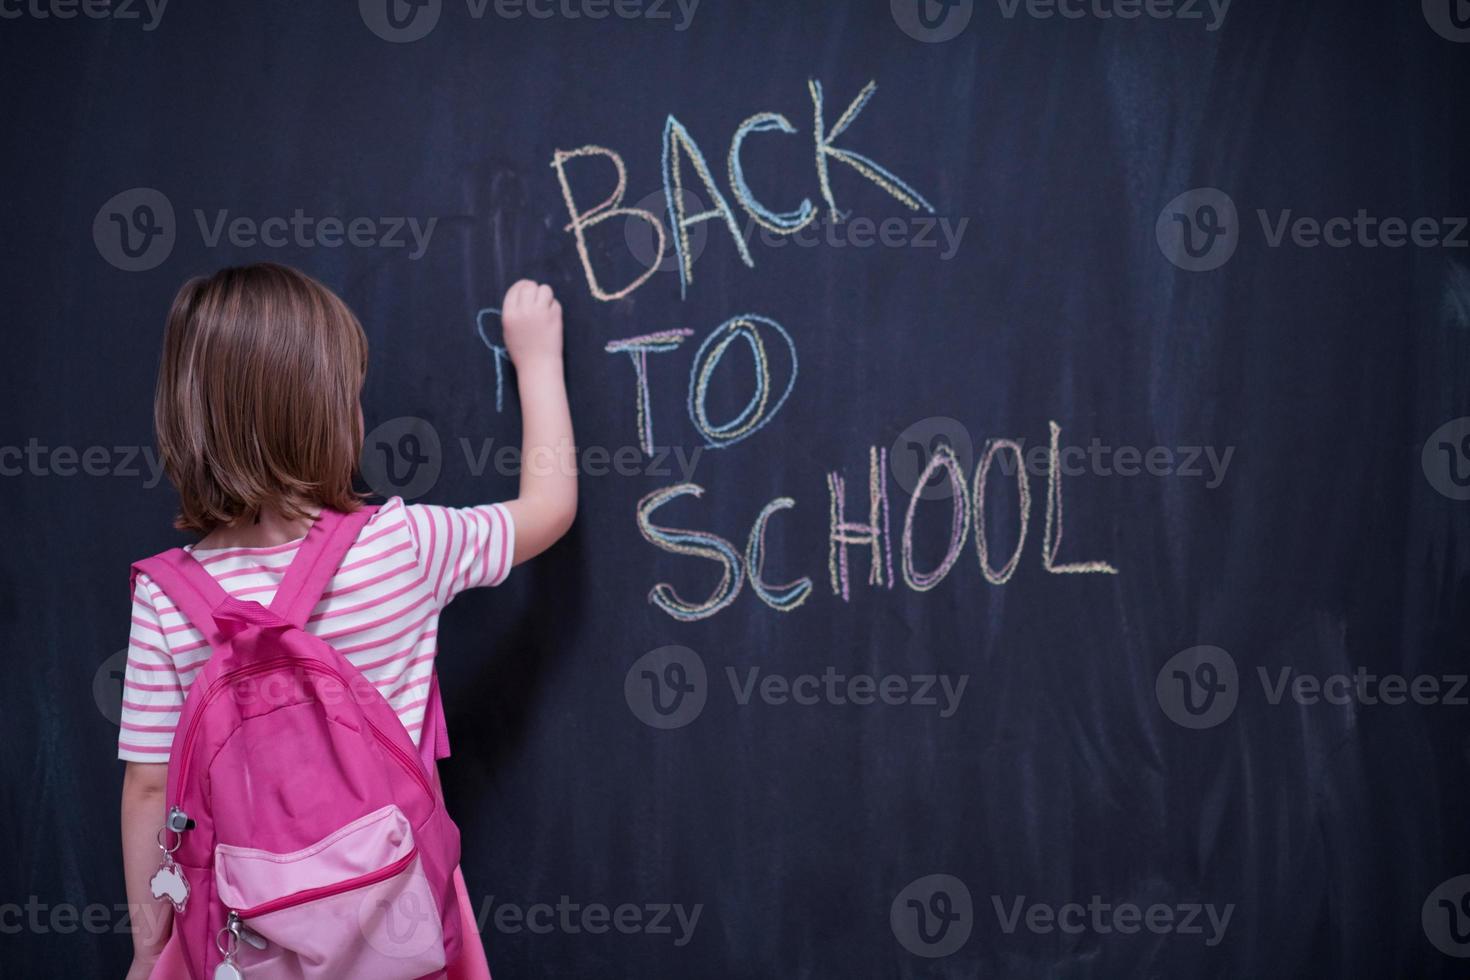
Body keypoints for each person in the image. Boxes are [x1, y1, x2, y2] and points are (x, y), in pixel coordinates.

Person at [117, 264, 576, 978]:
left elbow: (149, 788)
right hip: (399, 925)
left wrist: (149, 949)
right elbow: (549, 508)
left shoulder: (166, 596)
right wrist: (537, 358)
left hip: (246, 935)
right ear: (330, 414)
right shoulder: (404, 545)